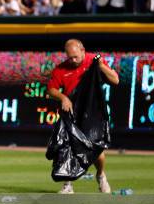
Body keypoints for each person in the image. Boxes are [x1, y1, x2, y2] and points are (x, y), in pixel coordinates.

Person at [47, 39, 120, 194]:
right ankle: (68, 185)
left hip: (92, 114)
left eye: (75, 56)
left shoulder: (94, 61)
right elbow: (51, 90)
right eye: (69, 57)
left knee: (96, 151)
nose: (73, 60)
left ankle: (100, 175)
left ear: (83, 50)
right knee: (66, 149)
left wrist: (101, 66)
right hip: (71, 113)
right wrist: (63, 98)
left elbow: (115, 80)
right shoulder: (61, 69)